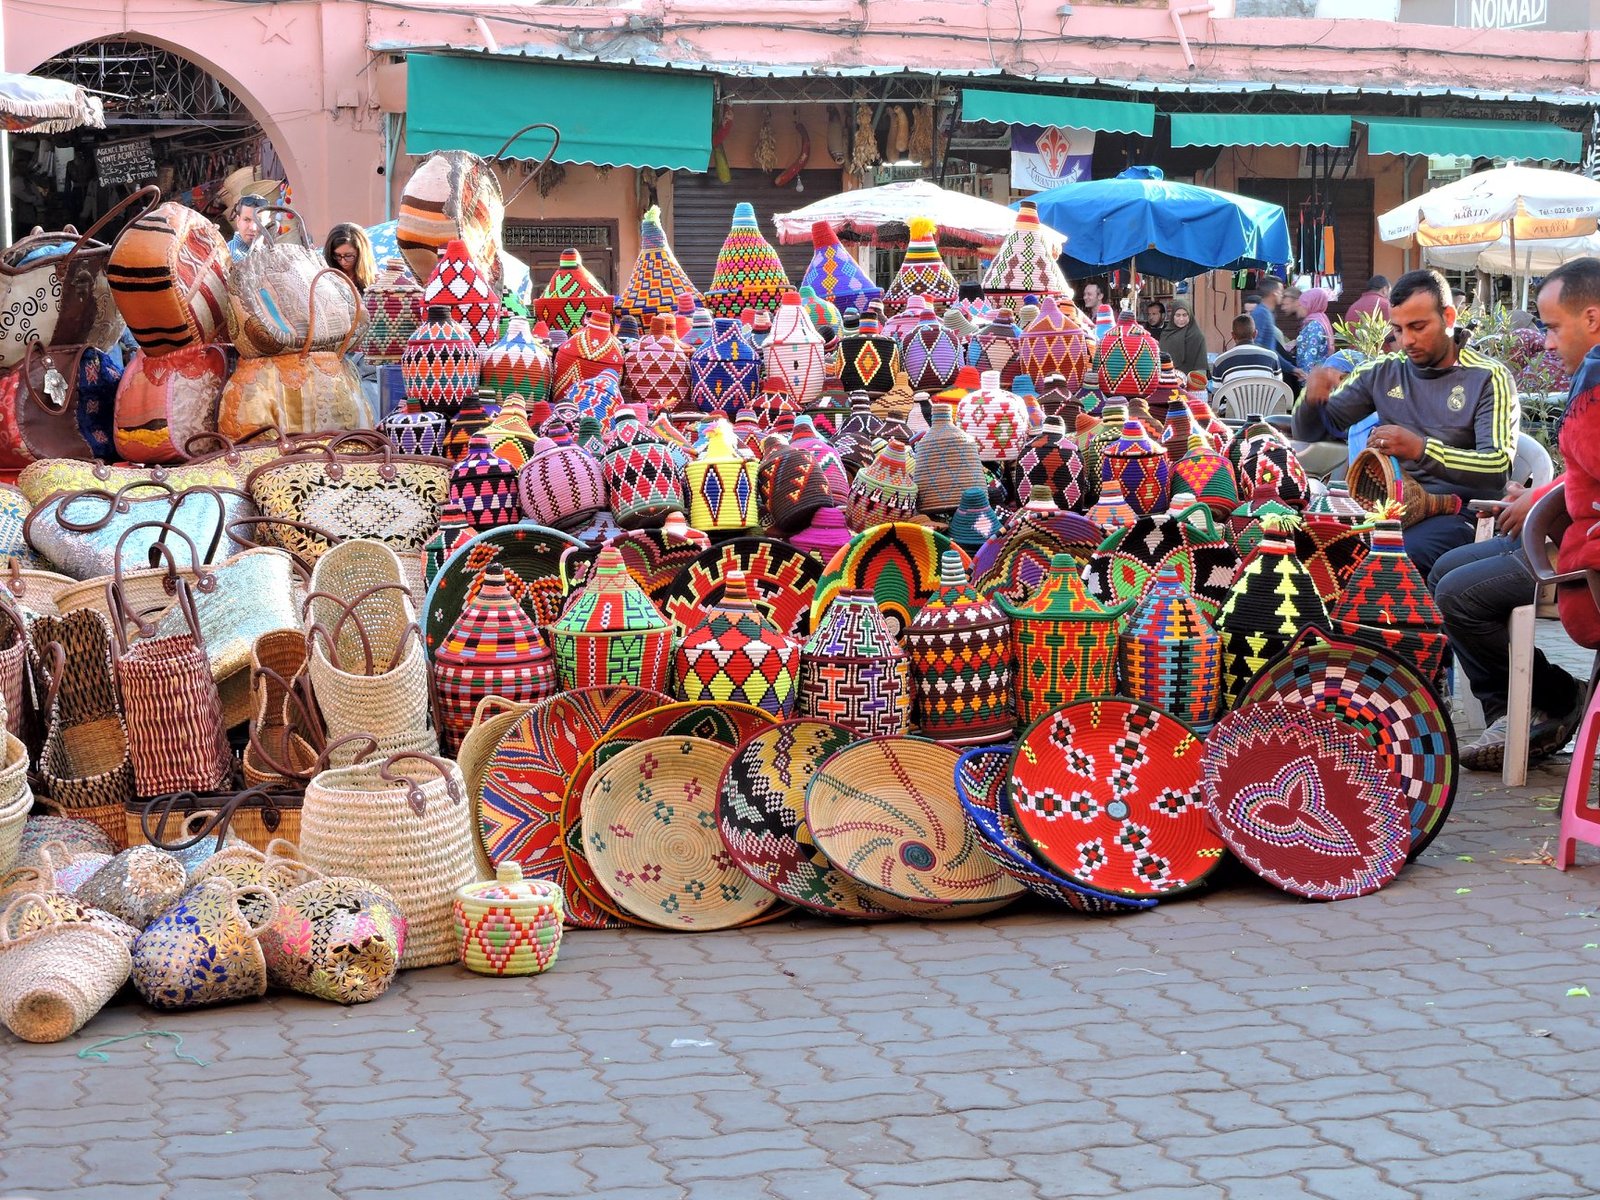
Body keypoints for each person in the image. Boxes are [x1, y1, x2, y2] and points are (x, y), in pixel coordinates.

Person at [1428, 256, 1600, 770]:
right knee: (1444, 569)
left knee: (1456, 592)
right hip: (1553, 527)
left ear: (1592, 318)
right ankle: (1521, 707)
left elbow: (1494, 460)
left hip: (1575, 552)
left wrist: (1545, 501)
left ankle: (1543, 701)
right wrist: (1544, 495)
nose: (1547, 343)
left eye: (1552, 327)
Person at [1294, 267, 1517, 578]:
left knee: (1382, 564)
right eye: (1398, 329)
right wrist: (1312, 399)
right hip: (1389, 510)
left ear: (1449, 317)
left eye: (1418, 326)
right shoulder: (1384, 371)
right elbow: (1312, 430)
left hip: (1461, 514)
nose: (1407, 340)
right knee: (1313, 549)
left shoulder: (1487, 377)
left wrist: (1420, 449)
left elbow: (1497, 468)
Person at [1251, 278, 1302, 383]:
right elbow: (1256, 346)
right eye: (1281, 291)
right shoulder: (1261, 313)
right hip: (1261, 374)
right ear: (1274, 293)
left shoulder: (1267, 313)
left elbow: (1271, 349)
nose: (1282, 295)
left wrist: (1292, 369)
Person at [1211, 314, 1281, 381]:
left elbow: (1217, 392)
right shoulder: (1272, 358)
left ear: (1233, 335)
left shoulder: (1220, 362)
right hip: (1265, 394)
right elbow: (1279, 389)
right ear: (1255, 334)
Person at [1159, 298, 1209, 377]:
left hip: (1191, 382)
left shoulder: (1197, 336)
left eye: (1185, 315)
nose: (1181, 319)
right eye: (1178, 315)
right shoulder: (1166, 334)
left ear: (1190, 315)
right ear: (1173, 316)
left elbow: (1201, 366)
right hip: (1167, 380)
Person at [324, 223, 376, 294]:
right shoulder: (325, 277)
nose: (343, 262)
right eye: (337, 255)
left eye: (348, 256)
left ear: (361, 254)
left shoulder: (375, 281)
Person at [1295, 287, 1336, 376]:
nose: (1299, 308)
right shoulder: (1321, 320)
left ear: (1311, 305)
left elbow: (1310, 355)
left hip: (1312, 377)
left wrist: (1306, 379)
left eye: (1302, 304)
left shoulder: (1314, 325)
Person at [227, 195, 268, 263]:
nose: (253, 228)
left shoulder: (267, 253)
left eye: (259, 221)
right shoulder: (229, 254)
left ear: (267, 224)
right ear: (238, 221)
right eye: (246, 220)